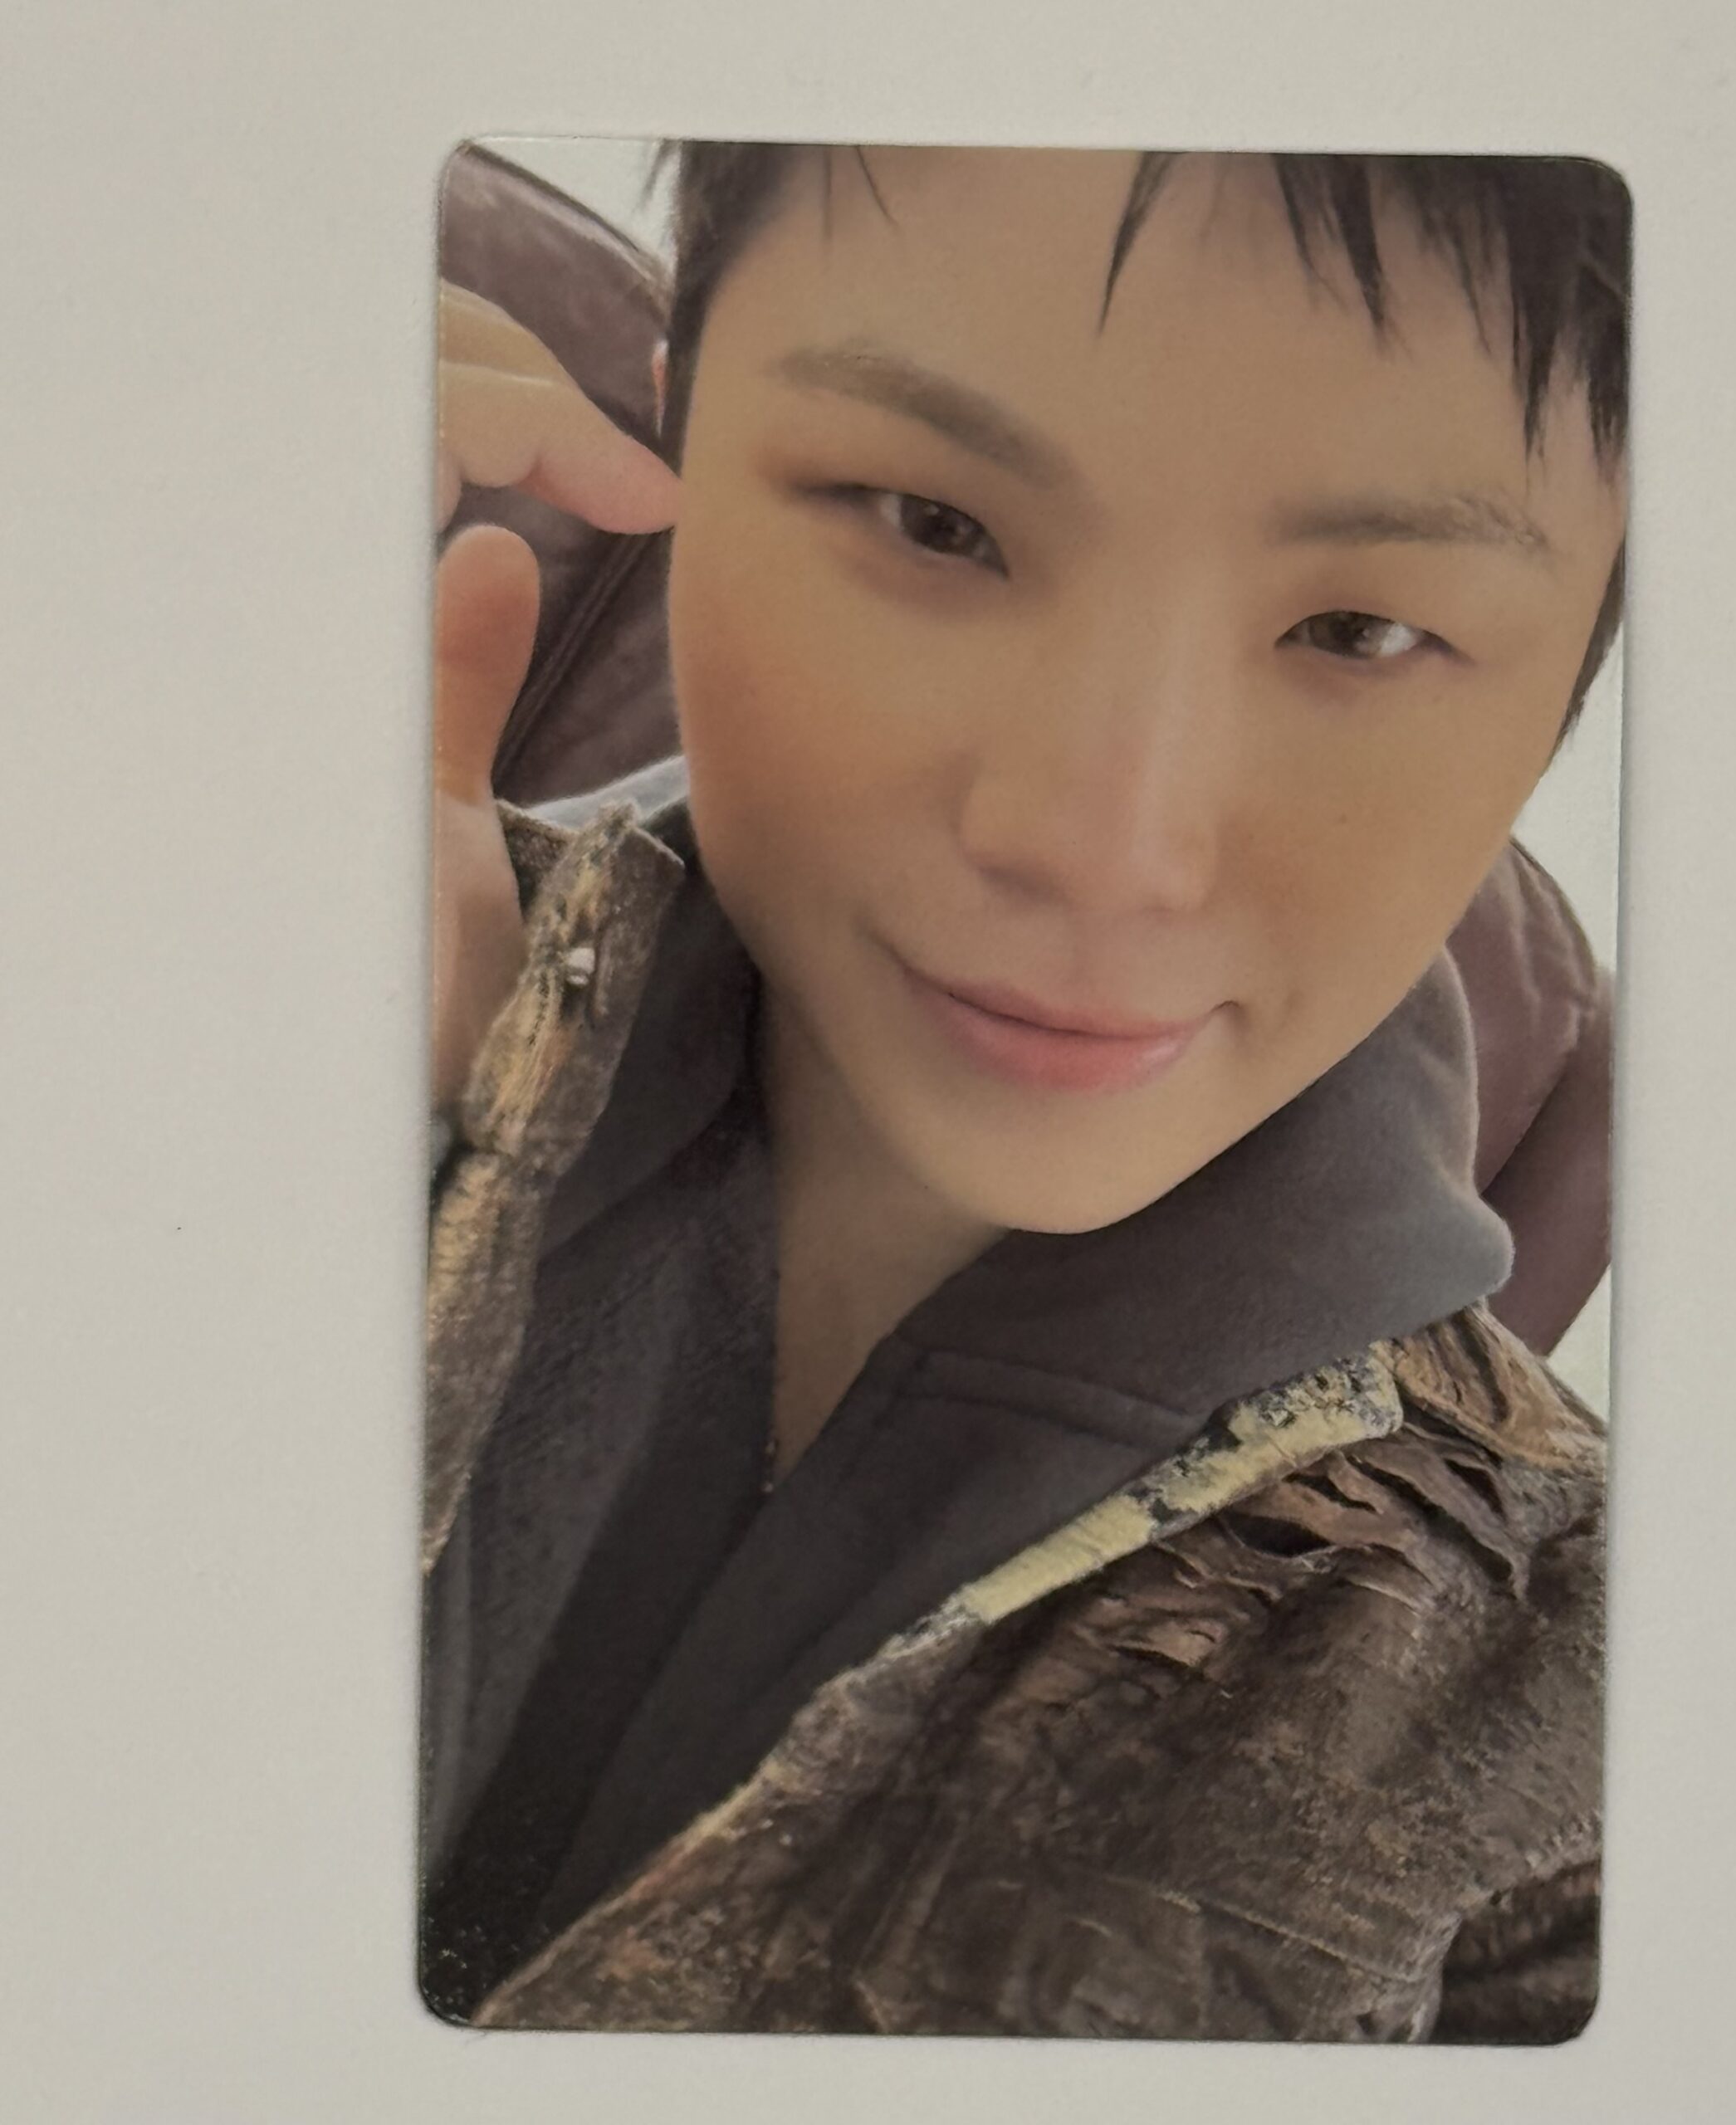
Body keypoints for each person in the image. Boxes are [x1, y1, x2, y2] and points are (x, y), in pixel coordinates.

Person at [421, 143, 1629, 2042]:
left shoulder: (1592, 1707)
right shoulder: (232, 1016)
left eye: (1359, 631)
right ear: (675, 431)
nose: (1102, 845)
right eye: (933, 523)